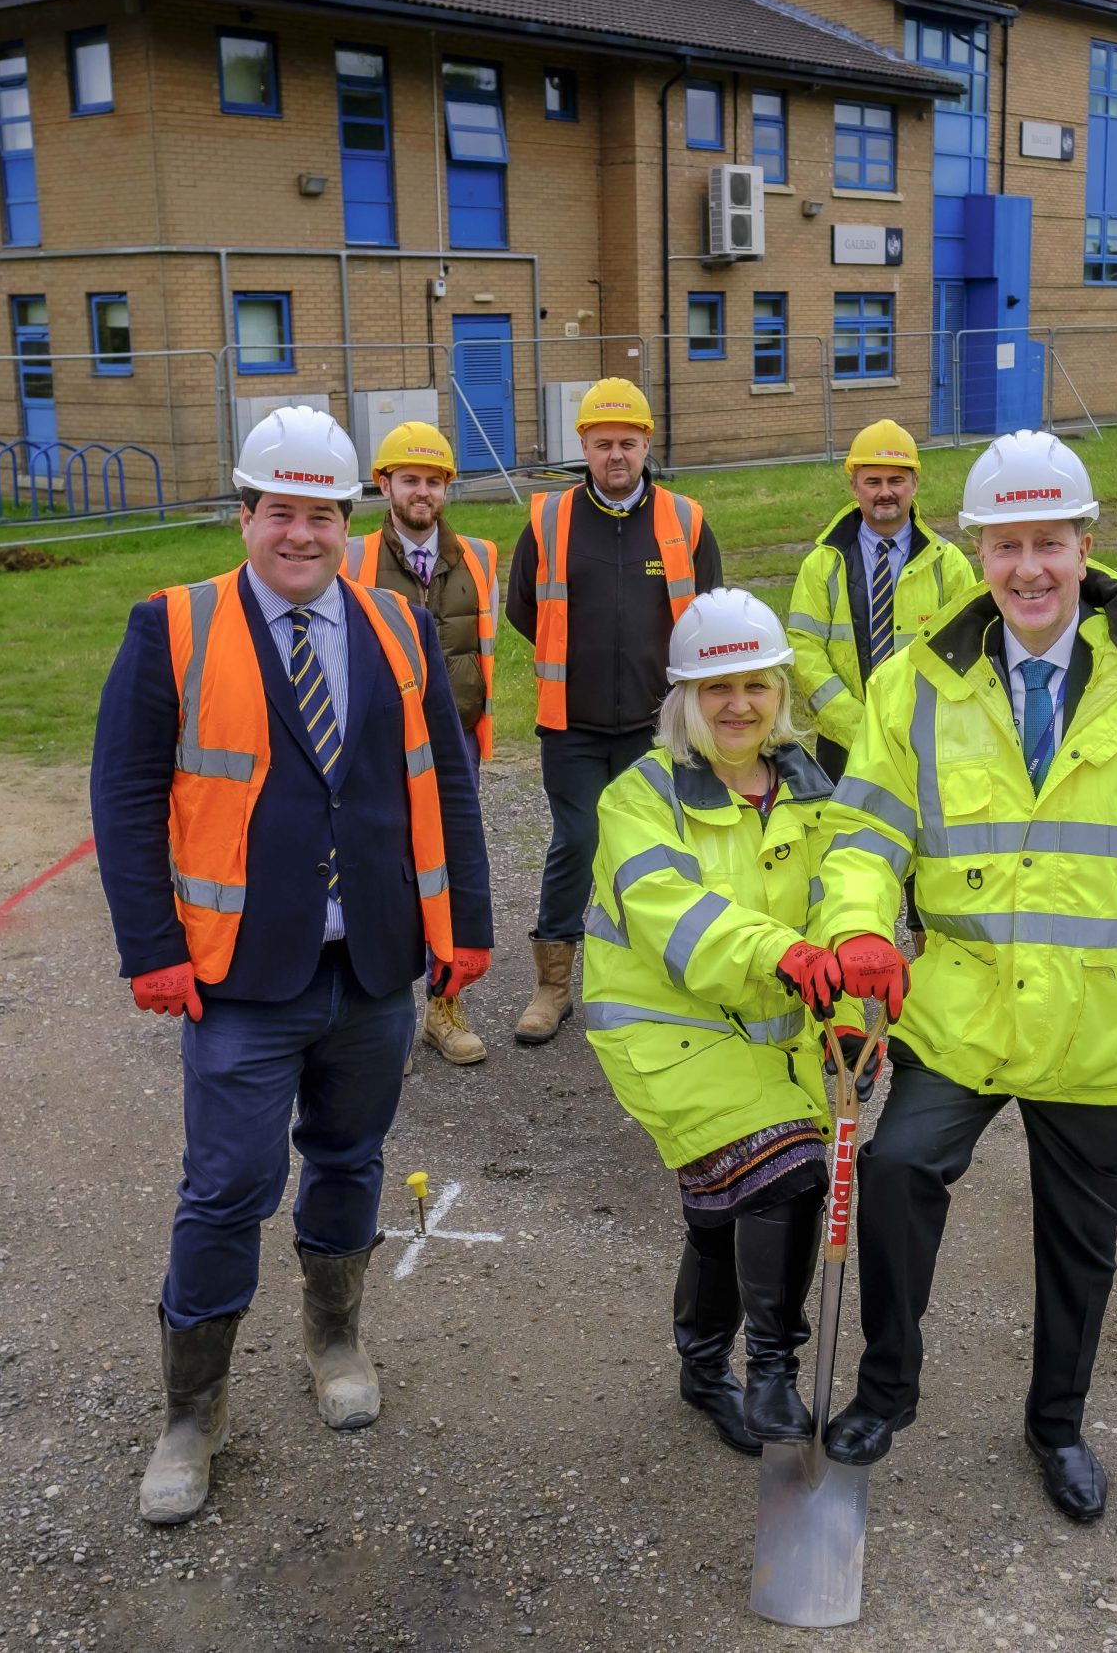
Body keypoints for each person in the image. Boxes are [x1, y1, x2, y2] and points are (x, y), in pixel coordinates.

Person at [810, 430, 1117, 1523]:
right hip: (965, 1007)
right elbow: (863, 833)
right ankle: (888, 1387)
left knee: (1080, 1238)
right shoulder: (914, 680)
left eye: (1049, 544)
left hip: (1111, 1025)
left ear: (1085, 544)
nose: (1029, 568)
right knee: (896, 1171)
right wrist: (860, 930)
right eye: (1007, 545)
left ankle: (1055, 1425)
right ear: (976, 551)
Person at [89, 406, 493, 1524]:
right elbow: (123, 801)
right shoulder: (170, 627)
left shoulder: (398, 630)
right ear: (245, 514)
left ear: (346, 518)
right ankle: (191, 1412)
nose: (301, 534)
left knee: (352, 1159)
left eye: (323, 513)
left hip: (370, 963)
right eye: (281, 511)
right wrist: (152, 947)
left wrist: (465, 923)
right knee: (224, 1189)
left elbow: (447, 786)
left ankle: (333, 1337)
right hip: (236, 974)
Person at [580, 589, 867, 1456]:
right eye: (716, 689)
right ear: (683, 700)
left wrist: (850, 1016)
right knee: (788, 1173)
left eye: (756, 685)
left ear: (783, 689)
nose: (739, 704)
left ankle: (703, 1365)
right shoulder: (640, 798)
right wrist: (786, 957)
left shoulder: (819, 795)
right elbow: (675, 917)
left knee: (723, 1206)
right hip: (666, 1031)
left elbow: (844, 910)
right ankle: (771, 1367)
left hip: (773, 1046)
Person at [506, 377, 725, 1046]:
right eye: (602, 444)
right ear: (583, 447)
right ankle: (553, 982)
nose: (615, 456)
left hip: (656, 727)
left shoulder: (685, 521)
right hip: (569, 724)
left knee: (657, 848)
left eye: (627, 442)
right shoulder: (548, 519)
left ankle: (659, 970)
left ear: (647, 443)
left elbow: (711, 614)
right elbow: (522, 608)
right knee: (576, 842)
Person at [343, 420, 500, 1067]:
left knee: (449, 869)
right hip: (377, 741)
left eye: (434, 481)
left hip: (453, 737)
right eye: (410, 479)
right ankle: (385, 1018)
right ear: (384, 485)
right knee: (383, 868)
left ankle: (444, 1006)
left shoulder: (481, 557)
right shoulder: (352, 556)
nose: (422, 492)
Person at [788, 419, 979, 783]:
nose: (885, 492)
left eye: (896, 481)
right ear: (854, 486)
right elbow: (803, 648)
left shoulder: (947, 563)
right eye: (873, 481)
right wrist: (852, 723)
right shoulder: (823, 563)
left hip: (924, 738)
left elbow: (969, 648)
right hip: (844, 741)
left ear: (915, 484)